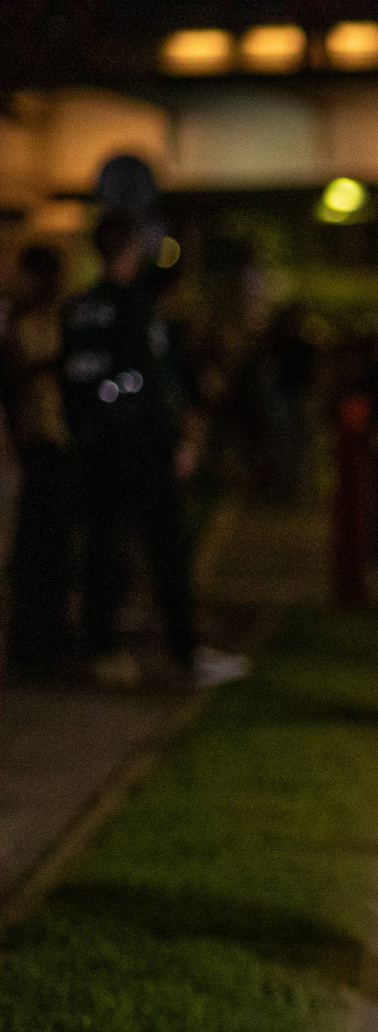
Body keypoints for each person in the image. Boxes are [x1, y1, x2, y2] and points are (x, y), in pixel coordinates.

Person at [60, 215, 244, 690]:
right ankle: (185, 650)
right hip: (142, 449)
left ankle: (100, 647)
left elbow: (73, 382)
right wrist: (178, 441)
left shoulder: (79, 308)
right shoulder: (136, 309)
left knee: (104, 549)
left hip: (98, 450)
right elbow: (156, 381)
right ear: (129, 252)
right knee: (166, 550)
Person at [4, 244, 76, 677]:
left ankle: (47, 641)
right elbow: (17, 381)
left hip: (55, 446)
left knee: (51, 550)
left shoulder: (53, 321)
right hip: (40, 445)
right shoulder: (25, 324)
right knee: (37, 550)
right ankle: (34, 645)